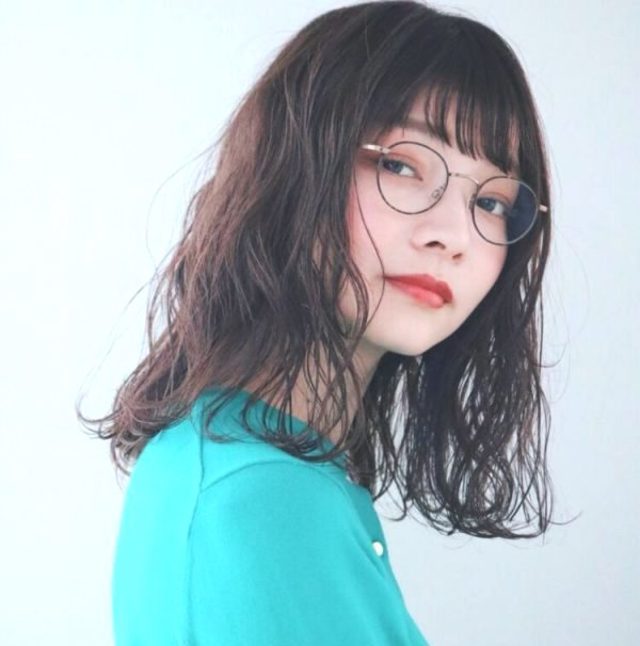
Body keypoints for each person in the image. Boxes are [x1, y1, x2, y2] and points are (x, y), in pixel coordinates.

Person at [78, 1, 562, 643]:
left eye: (492, 201)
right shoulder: (263, 499)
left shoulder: (240, 458)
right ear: (295, 163)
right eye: (401, 165)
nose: (454, 236)